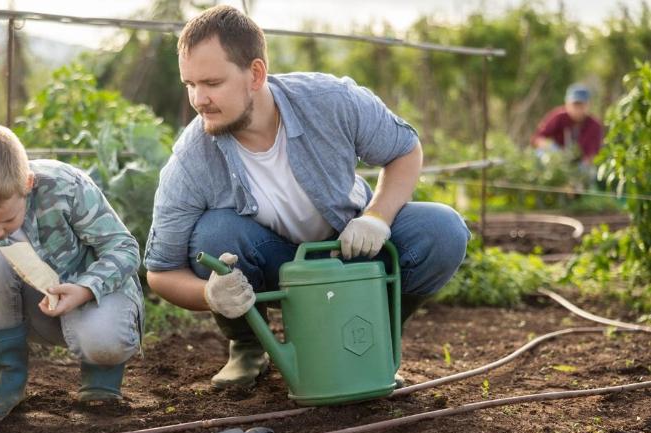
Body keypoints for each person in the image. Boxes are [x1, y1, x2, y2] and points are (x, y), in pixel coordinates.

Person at [144, 5, 470, 390]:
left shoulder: (330, 100)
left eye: (212, 83)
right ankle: (248, 346)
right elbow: (160, 271)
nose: (199, 99)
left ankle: (371, 334)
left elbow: (405, 149)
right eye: (190, 84)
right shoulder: (192, 157)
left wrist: (377, 218)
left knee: (443, 229)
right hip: (273, 266)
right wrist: (210, 295)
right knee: (213, 236)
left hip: (350, 252)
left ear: (256, 74)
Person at [0, 124, 143, 433]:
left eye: (7, 220)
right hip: (30, 311)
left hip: (92, 299)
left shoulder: (66, 187)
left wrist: (86, 288)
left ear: (28, 184)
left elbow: (124, 248)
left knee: (104, 340)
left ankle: (101, 380)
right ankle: (5, 379)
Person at [531, 83, 604, 166]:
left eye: (582, 106)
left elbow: (592, 156)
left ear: (588, 106)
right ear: (567, 104)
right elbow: (537, 138)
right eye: (575, 105)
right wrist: (553, 150)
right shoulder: (558, 117)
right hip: (556, 160)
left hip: (580, 166)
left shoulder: (595, 126)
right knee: (539, 155)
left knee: (589, 172)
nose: (578, 110)